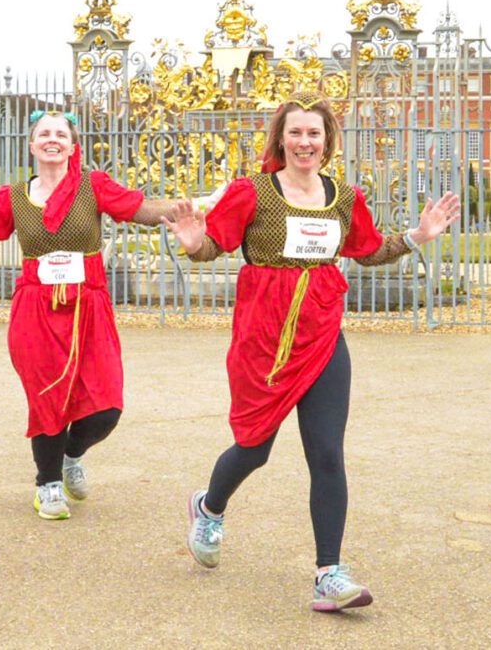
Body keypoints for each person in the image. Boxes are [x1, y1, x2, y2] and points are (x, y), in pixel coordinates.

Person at [162, 92, 461, 612]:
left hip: (323, 338)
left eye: (314, 134)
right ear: (281, 139)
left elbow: (368, 252)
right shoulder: (251, 192)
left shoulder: (343, 198)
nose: (305, 142)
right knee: (254, 449)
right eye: (295, 133)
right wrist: (194, 242)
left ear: (328, 142)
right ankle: (209, 508)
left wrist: (417, 235)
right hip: (264, 341)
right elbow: (216, 245)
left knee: (326, 454)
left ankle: (329, 573)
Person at [0, 109, 183, 520]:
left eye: (61, 133)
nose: (52, 139)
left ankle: (72, 455)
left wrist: (184, 208)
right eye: (44, 133)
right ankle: (48, 484)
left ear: (73, 146)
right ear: (32, 144)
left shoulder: (93, 186)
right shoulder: (15, 197)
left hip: (88, 305)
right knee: (47, 400)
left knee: (106, 406)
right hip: (35, 309)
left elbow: (138, 209)